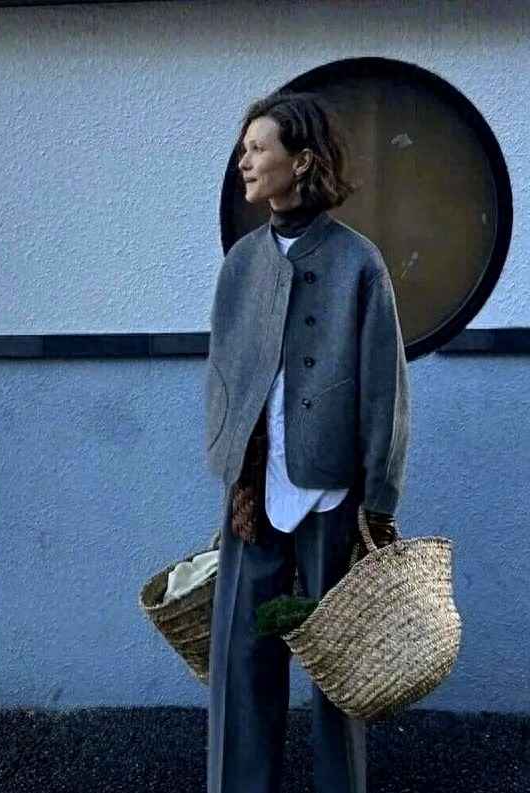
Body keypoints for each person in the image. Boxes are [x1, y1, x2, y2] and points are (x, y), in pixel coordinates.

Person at [204, 90, 411, 793]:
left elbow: (384, 387)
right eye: (243, 149)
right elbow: (224, 373)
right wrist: (232, 465)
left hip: (332, 490)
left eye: (257, 148)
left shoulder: (359, 263)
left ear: (301, 161)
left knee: (338, 668)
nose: (244, 161)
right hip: (255, 490)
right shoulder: (241, 263)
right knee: (242, 660)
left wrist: (378, 499)